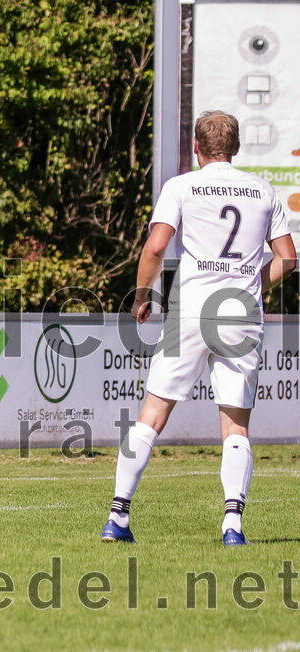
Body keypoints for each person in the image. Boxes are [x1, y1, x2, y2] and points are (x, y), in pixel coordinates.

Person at [101, 110, 295, 546]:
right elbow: (288, 258)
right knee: (235, 424)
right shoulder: (263, 190)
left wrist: (142, 295)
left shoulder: (181, 186)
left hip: (189, 311)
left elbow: (155, 247)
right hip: (239, 314)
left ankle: (117, 516)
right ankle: (233, 526)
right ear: (236, 147)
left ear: (196, 147)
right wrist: (253, 284)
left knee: (152, 414)